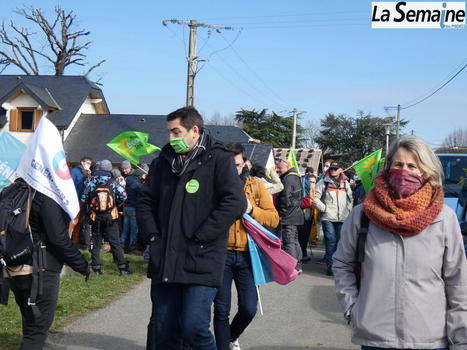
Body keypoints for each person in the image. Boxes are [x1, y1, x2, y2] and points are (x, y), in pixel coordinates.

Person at [333, 136, 467, 350]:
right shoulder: (363, 215)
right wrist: (353, 308)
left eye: (412, 166)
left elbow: (458, 282)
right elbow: (342, 264)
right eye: (398, 164)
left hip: (430, 340)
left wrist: (461, 338)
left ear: (426, 172)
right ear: (388, 169)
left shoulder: (444, 218)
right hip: (375, 338)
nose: (404, 171)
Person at [136, 106, 246, 350]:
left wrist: (202, 235)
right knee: (164, 331)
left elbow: (234, 202)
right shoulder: (163, 162)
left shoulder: (218, 158)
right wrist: (153, 237)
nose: (171, 138)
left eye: (176, 132)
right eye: (169, 133)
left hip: (202, 257)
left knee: (194, 326)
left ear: (194, 130)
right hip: (166, 257)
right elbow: (145, 202)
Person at [213, 143, 279, 350]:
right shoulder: (213, 186)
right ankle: (223, 345)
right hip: (220, 255)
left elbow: (274, 219)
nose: (234, 169)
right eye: (229, 165)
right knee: (221, 310)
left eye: (238, 165)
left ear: (245, 163)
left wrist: (251, 209)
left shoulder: (255, 186)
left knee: (249, 308)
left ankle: (231, 337)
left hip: (247, 256)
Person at [6, 190, 90, 349]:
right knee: (37, 328)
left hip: (16, 263)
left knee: (31, 322)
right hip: (41, 267)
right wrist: (81, 264)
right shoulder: (47, 195)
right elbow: (58, 238)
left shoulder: (19, 189)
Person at [82, 159, 132, 276]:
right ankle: (122, 268)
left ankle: (96, 267)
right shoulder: (113, 182)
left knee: (96, 241)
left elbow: (84, 198)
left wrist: (92, 206)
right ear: (109, 169)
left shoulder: (91, 182)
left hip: (96, 216)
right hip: (111, 216)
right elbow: (123, 196)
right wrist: (115, 204)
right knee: (115, 242)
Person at [314, 161, 353, 276]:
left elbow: (350, 198)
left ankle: (338, 265)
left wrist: (348, 211)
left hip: (342, 218)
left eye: (335, 169)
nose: (333, 171)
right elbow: (315, 198)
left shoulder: (345, 183)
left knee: (340, 242)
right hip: (328, 217)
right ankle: (330, 266)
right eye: (331, 169)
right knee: (331, 240)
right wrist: (325, 209)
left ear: (341, 170)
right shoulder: (322, 182)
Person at [275, 159, 304, 272]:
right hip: (295, 213)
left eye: (280, 168)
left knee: (289, 241)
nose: (279, 170)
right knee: (293, 240)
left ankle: (292, 266)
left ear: (287, 167)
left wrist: (281, 213)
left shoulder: (288, 178)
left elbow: (285, 197)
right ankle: (298, 263)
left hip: (289, 214)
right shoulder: (295, 176)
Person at [120, 168, 144, 255]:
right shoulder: (136, 184)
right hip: (133, 208)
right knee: (134, 229)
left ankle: (121, 245)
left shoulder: (128, 182)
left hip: (126, 207)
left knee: (125, 228)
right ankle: (132, 247)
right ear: (139, 176)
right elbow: (144, 190)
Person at [70, 156, 93, 244]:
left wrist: (89, 176)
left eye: (90, 164)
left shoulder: (86, 173)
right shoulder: (74, 171)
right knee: (73, 220)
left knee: (80, 221)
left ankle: (75, 240)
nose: (89, 165)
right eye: (87, 163)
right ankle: (68, 238)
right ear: (82, 162)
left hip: (83, 199)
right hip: (75, 198)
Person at [298, 167, 315, 262]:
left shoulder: (315, 189)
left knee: (306, 234)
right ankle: (302, 254)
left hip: (311, 213)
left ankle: (303, 253)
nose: (312, 184)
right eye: (310, 182)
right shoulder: (304, 189)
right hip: (303, 212)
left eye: (314, 182)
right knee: (302, 235)